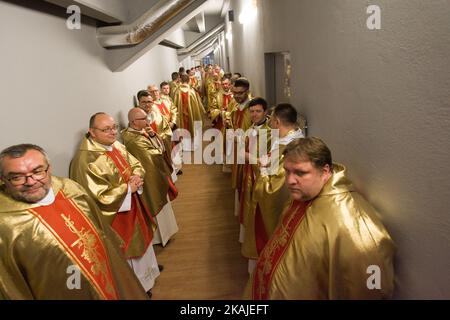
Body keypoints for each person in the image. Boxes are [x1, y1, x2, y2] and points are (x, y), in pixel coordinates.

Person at [245, 137, 396, 299]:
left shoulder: (353, 225)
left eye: (300, 173)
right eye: (287, 171)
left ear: (325, 172)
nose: (289, 181)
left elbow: (373, 287)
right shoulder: (304, 195)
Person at [0, 144, 148, 300]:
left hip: (105, 274)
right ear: (3, 180)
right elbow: (10, 286)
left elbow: (102, 230)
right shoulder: (5, 224)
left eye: (37, 171)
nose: (30, 181)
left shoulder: (69, 189)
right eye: (17, 177)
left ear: (49, 169)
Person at [69, 112, 160, 297]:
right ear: (92, 132)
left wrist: (136, 176)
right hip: (116, 216)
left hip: (132, 204)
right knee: (128, 251)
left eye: (114, 128)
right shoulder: (86, 160)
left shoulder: (115, 144)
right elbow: (96, 198)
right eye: (106, 129)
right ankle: (138, 287)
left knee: (142, 241)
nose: (112, 133)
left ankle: (149, 275)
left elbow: (135, 163)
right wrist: (127, 189)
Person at [242, 103, 304, 273]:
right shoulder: (289, 137)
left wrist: (261, 166)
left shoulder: (290, 147)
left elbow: (274, 187)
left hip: (278, 202)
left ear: (277, 121)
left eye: (271, 119)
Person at [121, 108, 179, 247]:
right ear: (134, 122)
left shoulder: (139, 133)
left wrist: (153, 136)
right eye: (144, 119)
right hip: (149, 180)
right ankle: (160, 238)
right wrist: (155, 142)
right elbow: (155, 155)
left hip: (153, 175)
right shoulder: (133, 140)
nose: (147, 121)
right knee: (155, 204)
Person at [238, 98, 272, 273]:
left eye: (258, 111)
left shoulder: (270, 132)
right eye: (252, 111)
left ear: (265, 112)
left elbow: (268, 158)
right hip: (249, 175)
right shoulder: (250, 129)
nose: (254, 114)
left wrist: (250, 158)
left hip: (261, 177)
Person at [224, 77, 253, 217]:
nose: (236, 96)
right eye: (234, 93)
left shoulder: (253, 110)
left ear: (248, 91)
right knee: (239, 185)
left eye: (240, 93)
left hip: (250, 154)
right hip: (238, 152)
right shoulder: (235, 107)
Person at [172, 73, 206, 151]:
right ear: (189, 80)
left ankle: (184, 146)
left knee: (182, 127)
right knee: (192, 126)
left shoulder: (177, 92)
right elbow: (198, 105)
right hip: (191, 115)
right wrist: (202, 112)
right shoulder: (192, 91)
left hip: (181, 116)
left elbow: (174, 105)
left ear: (180, 80)